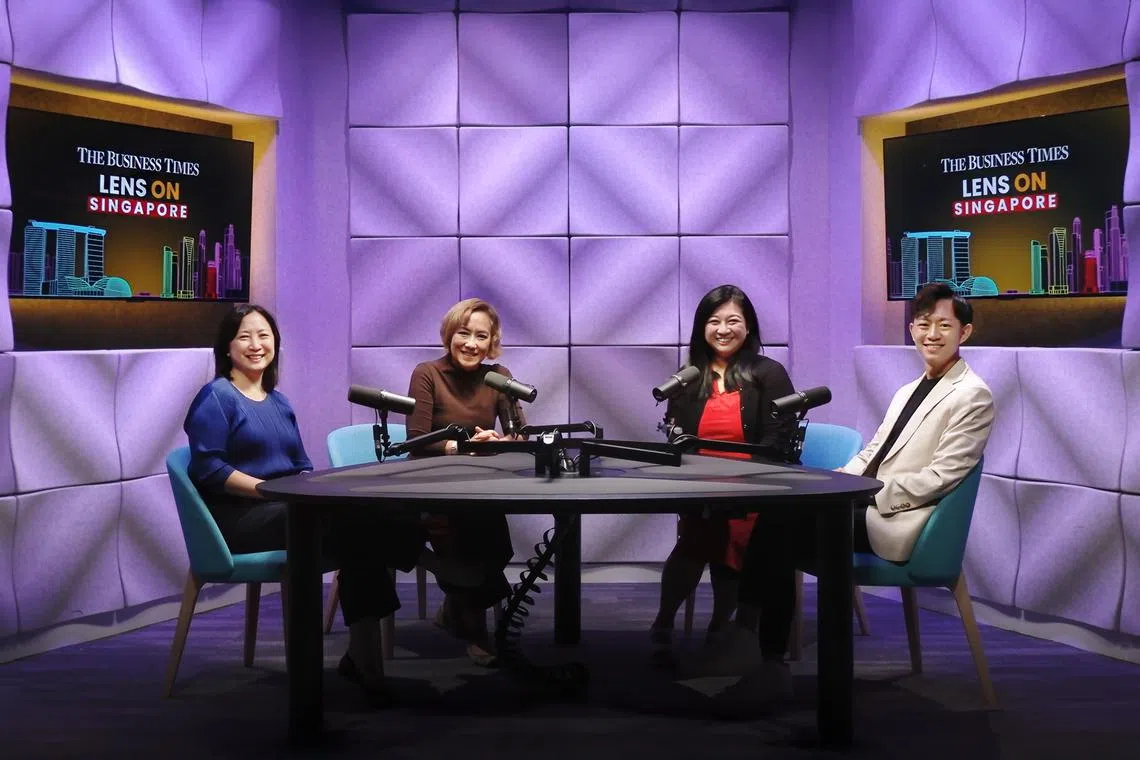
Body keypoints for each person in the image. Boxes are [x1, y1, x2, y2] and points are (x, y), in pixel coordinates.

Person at [717, 282, 995, 714]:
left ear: (966, 332)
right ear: (912, 329)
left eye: (945, 325)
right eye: (924, 325)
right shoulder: (909, 389)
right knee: (777, 517)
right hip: (863, 504)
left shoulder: (973, 395)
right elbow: (872, 453)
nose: (932, 335)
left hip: (898, 519)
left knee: (780, 526)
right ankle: (757, 649)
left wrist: (867, 495)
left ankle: (757, 648)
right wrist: (836, 483)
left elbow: (943, 476)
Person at [184, 304, 476, 701]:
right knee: (358, 528)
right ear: (227, 346)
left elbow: (300, 465)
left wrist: (318, 491)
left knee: (367, 524)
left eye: (264, 336)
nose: (256, 345)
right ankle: (421, 563)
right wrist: (265, 490)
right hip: (241, 519)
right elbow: (208, 468)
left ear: (275, 344)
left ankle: (366, 661)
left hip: (286, 510)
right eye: (245, 337)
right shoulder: (216, 397)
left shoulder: (277, 402)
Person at [648, 285, 796, 666]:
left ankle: (721, 626)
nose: (723, 329)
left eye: (733, 321)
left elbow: (781, 435)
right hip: (700, 483)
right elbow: (677, 433)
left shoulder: (769, 373)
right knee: (698, 539)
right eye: (714, 321)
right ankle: (664, 621)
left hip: (755, 484)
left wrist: (750, 476)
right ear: (702, 328)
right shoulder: (689, 376)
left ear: (748, 328)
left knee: (732, 540)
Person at [406, 297, 525, 667]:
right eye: (464, 333)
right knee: (466, 548)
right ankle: (477, 633)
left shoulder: (499, 376)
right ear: (449, 335)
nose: (471, 343)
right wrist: (463, 445)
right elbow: (417, 438)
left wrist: (503, 442)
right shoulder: (427, 373)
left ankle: (454, 607)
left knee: (495, 547)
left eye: (481, 336)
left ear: (491, 343)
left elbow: (520, 433)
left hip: (480, 489)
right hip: (433, 490)